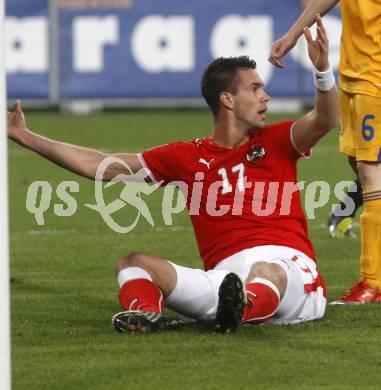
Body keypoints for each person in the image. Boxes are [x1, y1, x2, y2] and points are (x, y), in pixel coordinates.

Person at [8, 15, 337, 333]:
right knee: (133, 264)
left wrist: (322, 70)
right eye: (255, 89)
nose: (265, 96)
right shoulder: (186, 156)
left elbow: (325, 119)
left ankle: (243, 309)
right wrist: (28, 137)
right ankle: (148, 317)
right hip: (226, 282)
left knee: (266, 271)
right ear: (227, 100)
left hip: (290, 273)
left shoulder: (277, 139)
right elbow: (101, 167)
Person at [269, 0, 381, 304]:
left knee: (372, 176)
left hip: (376, 79)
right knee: (358, 162)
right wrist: (293, 34)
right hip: (353, 75)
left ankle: (373, 283)